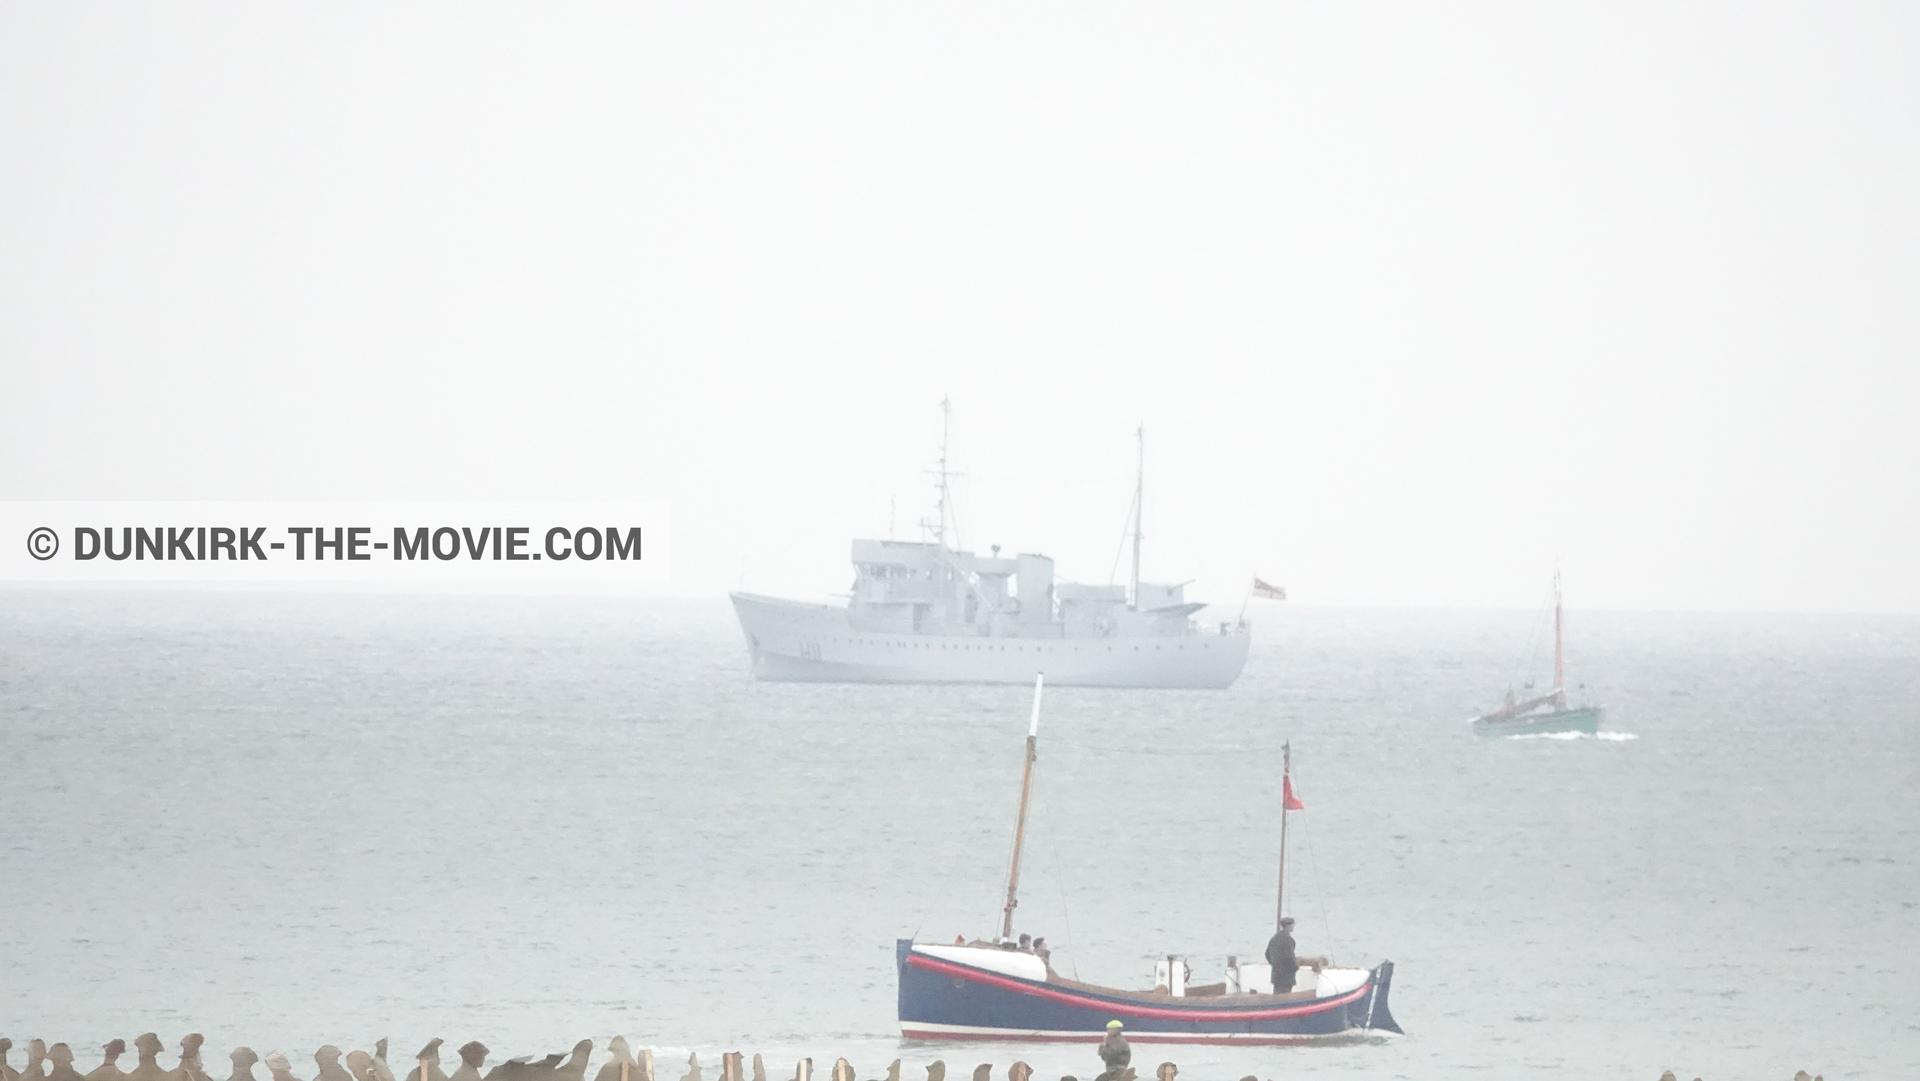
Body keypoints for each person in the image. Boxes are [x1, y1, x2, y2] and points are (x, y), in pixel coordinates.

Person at [1265, 918, 1299, 992]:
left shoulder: (1274, 938)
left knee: (1277, 996)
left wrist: (1275, 964)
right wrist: (1295, 967)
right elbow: (1289, 957)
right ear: (1290, 926)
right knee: (1285, 997)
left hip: (1276, 974)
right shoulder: (1288, 939)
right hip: (1286, 976)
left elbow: (1267, 954)